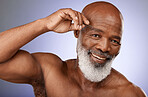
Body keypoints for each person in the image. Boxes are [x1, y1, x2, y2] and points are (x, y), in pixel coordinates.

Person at [0, 1, 146, 97]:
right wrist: (45, 24)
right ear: (77, 33)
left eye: (114, 41)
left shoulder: (129, 93)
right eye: (96, 35)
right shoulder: (49, 71)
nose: (104, 47)